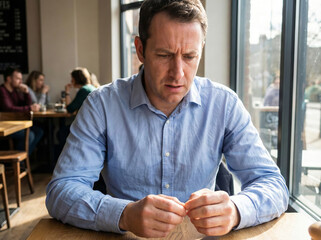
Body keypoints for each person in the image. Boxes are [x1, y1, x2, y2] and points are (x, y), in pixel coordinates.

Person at [46, 0, 289, 238]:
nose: (178, 73)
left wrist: (236, 210)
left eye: (190, 56)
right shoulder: (102, 105)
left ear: (201, 50)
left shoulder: (224, 104)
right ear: (140, 50)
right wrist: (125, 215)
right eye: (164, 55)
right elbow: (61, 191)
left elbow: (273, 185)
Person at [0, 67, 43, 154]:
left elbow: (25, 105)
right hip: (6, 126)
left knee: (39, 131)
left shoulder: (15, 91)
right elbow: (9, 109)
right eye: (18, 78)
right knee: (30, 135)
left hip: (16, 123)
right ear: (8, 78)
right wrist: (30, 108)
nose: (21, 81)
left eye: (21, 79)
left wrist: (27, 93)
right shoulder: (2, 91)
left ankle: (24, 159)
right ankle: (18, 162)